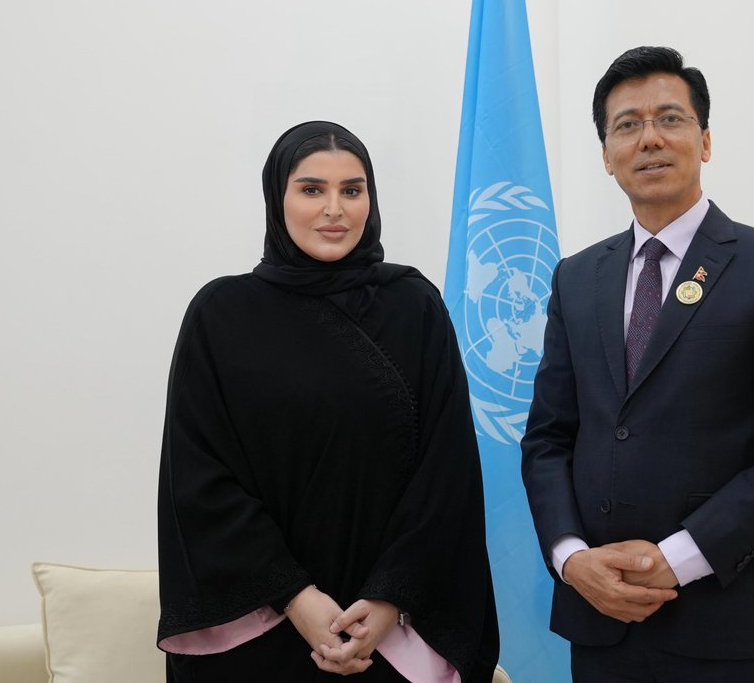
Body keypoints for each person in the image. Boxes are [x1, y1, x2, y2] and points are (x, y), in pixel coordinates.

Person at [520, 47, 754, 682]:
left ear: (706, 140)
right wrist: (570, 557)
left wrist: (677, 558)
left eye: (670, 118)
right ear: (607, 156)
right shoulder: (576, 278)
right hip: (601, 621)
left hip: (729, 621)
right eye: (627, 125)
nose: (650, 138)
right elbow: (549, 438)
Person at [157, 121, 499, 682]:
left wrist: (389, 599)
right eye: (312, 189)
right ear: (278, 198)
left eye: (352, 189)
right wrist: (295, 597)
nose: (334, 208)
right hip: (257, 629)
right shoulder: (221, 316)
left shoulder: (414, 307)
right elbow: (198, 479)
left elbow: (447, 472)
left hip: (386, 636)